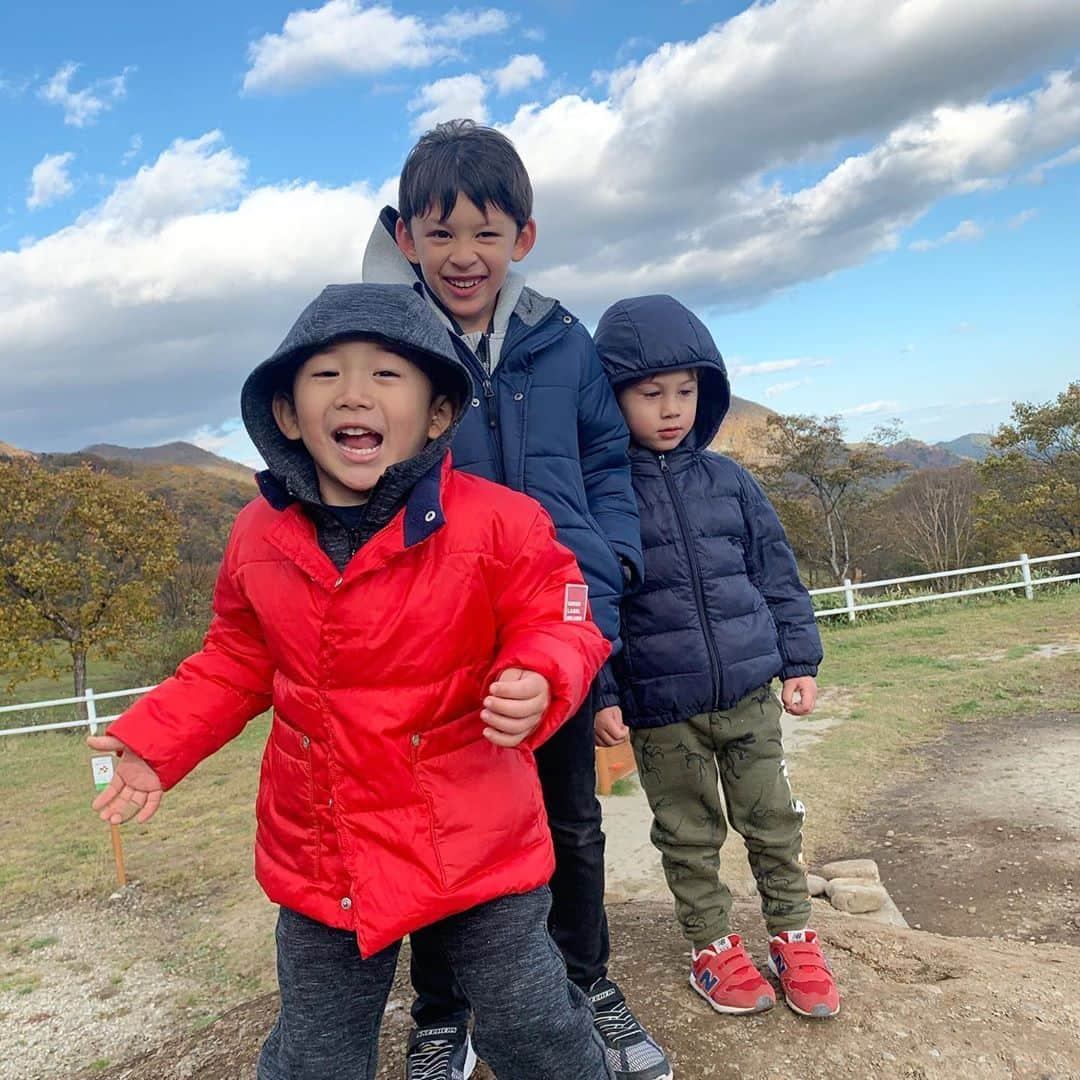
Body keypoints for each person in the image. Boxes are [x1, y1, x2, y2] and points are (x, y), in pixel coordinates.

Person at [87, 282, 618, 1079]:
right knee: (317, 1048)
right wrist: (155, 741)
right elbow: (235, 657)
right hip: (323, 842)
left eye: (387, 376)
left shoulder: (502, 521)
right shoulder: (257, 534)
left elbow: (564, 616)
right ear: (289, 414)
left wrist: (542, 674)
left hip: (473, 831)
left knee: (533, 1024)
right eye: (327, 375)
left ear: (438, 414)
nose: (356, 393)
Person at [363, 121, 672, 1080]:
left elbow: (606, 463)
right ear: (406, 235)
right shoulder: (380, 346)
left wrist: (610, 561)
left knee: (571, 822)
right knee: (440, 836)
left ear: (524, 237)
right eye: (442, 232)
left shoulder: (562, 339)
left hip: (554, 634)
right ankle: (443, 1014)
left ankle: (584, 986)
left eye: (487, 233)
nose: (465, 255)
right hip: (434, 649)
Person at [593, 294, 841, 1020]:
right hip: (660, 707)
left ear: (708, 391)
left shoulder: (732, 482)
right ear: (612, 399)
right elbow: (588, 602)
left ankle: (793, 935)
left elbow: (777, 575)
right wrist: (601, 692)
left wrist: (800, 660)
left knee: (772, 819)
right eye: (649, 393)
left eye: (686, 391)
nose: (671, 408)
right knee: (689, 831)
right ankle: (711, 947)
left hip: (749, 694)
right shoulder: (601, 497)